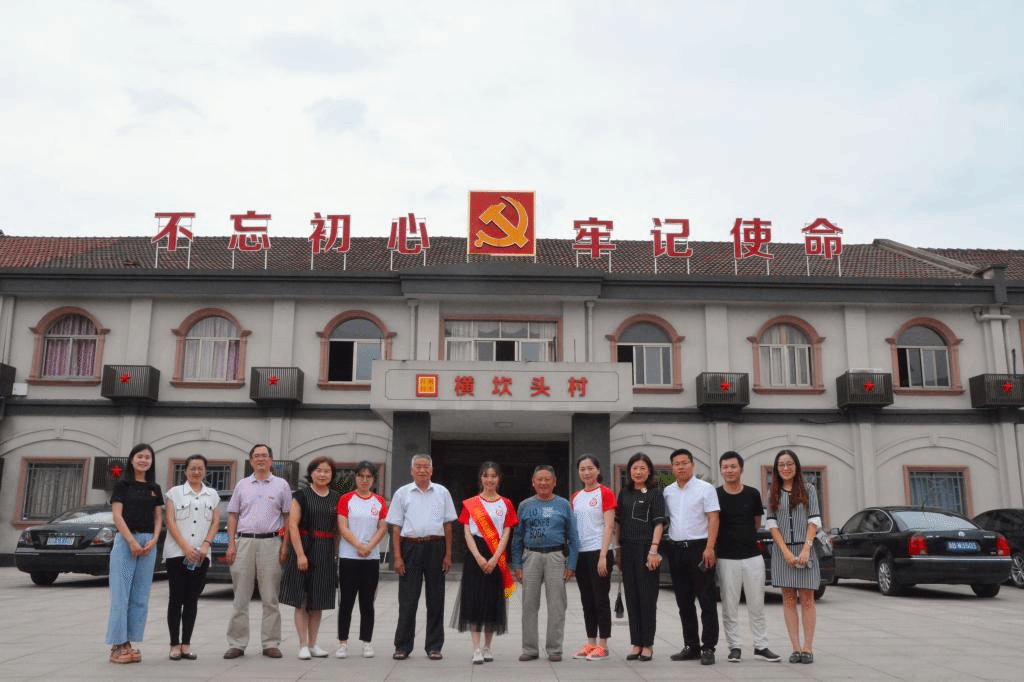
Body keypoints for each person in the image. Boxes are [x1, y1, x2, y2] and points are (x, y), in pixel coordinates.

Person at [223, 444, 292, 660]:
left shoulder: (281, 485)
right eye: (256, 456)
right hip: (244, 542)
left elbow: (288, 517)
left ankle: (270, 643)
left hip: (271, 543)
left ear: (271, 460)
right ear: (251, 461)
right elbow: (232, 515)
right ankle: (237, 643)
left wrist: (285, 545)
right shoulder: (242, 485)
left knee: (270, 597)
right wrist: (231, 544)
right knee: (240, 597)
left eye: (264, 456)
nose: (261, 459)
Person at [386, 453, 457, 660]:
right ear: (412, 470)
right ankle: (402, 646)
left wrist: (448, 554)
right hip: (410, 548)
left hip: (436, 547)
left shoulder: (442, 492)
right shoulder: (402, 493)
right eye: (418, 466)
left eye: (426, 466)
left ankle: (434, 646)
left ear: (432, 471)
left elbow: (448, 525)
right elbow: (395, 527)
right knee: (407, 601)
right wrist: (397, 557)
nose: (422, 470)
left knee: (436, 600)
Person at [715, 451, 781, 664]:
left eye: (733, 466)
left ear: (741, 469)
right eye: (725, 467)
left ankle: (761, 646)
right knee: (729, 606)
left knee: (757, 604)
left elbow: (756, 523)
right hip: (726, 558)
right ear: (721, 470)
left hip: (752, 556)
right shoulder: (715, 494)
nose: (729, 470)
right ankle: (734, 647)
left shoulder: (752, 494)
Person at [510, 465, 580, 663]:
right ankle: (530, 648)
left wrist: (571, 565)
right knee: (529, 605)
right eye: (539, 479)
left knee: (557, 605)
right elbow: (517, 538)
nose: (543, 483)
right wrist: (517, 565)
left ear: (554, 482)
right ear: (533, 483)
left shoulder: (563, 505)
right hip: (531, 557)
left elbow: (574, 538)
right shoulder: (525, 505)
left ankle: (555, 649)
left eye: (547, 479)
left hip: (556, 557)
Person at [451, 461, 518, 664]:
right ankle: (476, 649)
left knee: (492, 600)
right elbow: (466, 532)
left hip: (497, 554)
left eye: (493, 476)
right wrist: (479, 557)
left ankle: (488, 647)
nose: (489, 480)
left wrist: (495, 557)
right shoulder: (471, 503)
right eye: (486, 476)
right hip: (475, 556)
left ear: (499, 479)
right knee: (474, 601)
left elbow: (507, 532)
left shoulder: (506, 504)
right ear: (480, 478)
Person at [106, 443, 164, 664]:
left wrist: (154, 539)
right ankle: (117, 644)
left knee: (140, 597)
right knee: (120, 596)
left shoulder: (154, 487)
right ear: (132, 459)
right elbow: (117, 515)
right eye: (140, 456)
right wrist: (131, 540)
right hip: (126, 541)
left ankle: (129, 642)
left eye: (147, 457)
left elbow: (158, 516)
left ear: (151, 462)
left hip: (148, 543)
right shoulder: (122, 485)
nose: (143, 460)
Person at [279, 456, 341, 660]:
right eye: (318, 470)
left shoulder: (336, 498)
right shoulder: (301, 495)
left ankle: (313, 643)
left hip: (325, 551)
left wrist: (336, 553)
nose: (322, 474)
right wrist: (299, 554)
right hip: (304, 547)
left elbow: (337, 529)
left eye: (327, 471)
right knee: (302, 599)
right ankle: (302, 644)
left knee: (318, 600)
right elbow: (292, 525)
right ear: (311, 473)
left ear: (332, 475)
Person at [663, 448, 720, 665]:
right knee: (683, 601)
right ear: (672, 468)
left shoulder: (706, 489)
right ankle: (691, 646)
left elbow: (713, 518)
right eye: (676, 464)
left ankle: (708, 647)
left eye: (684, 463)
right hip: (676, 549)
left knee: (706, 600)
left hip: (700, 548)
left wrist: (710, 547)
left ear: (692, 465)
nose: (680, 467)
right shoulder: (667, 491)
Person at [766, 449, 821, 665]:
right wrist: (786, 552)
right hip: (783, 553)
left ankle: (808, 648)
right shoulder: (772, 491)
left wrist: (806, 548)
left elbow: (814, 519)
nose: (786, 468)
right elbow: (772, 524)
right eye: (781, 465)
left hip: (805, 549)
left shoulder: (809, 489)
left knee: (807, 598)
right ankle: (795, 648)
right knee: (788, 599)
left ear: (796, 466)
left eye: (789, 464)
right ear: (776, 469)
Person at [164, 453, 220, 661]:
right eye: (192, 468)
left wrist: (205, 545)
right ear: (185, 471)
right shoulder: (174, 493)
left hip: (201, 556)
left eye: (200, 469)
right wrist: (186, 547)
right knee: (175, 599)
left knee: (191, 600)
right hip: (177, 554)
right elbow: (170, 522)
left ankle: (186, 644)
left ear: (205, 472)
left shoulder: (212, 495)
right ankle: (174, 644)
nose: (196, 472)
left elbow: (215, 522)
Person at [614, 452, 665, 662]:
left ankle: (647, 644)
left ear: (649, 471)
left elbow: (659, 523)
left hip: (647, 550)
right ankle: (636, 643)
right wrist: (617, 548)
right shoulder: (624, 493)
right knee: (632, 597)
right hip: (627, 549)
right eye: (634, 468)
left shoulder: (655, 493)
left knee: (647, 598)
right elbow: (618, 523)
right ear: (629, 471)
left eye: (642, 468)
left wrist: (654, 550)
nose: (638, 472)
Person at [336, 460, 388, 660]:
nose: (364, 480)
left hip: (371, 558)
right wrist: (358, 545)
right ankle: (342, 643)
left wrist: (369, 546)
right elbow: (343, 527)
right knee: (346, 602)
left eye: (368, 477)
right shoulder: (346, 499)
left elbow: (382, 528)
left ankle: (367, 641)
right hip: (349, 557)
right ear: (355, 477)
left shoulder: (379, 501)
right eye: (361, 476)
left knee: (367, 602)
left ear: (373, 479)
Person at [569, 454, 616, 661]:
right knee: (586, 599)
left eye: (590, 468)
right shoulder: (576, 496)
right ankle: (591, 642)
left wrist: (603, 555)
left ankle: (603, 645)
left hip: (599, 551)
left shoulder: (605, 493)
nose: (586, 472)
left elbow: (609, 526)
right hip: (581, 553)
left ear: (598, 470)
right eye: (582, 469)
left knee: (600, 599)